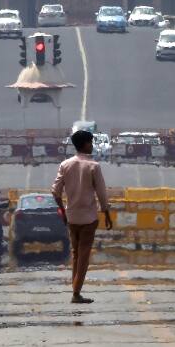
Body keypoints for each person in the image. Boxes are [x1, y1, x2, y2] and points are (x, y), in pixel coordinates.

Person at [51, 130, 112, 304]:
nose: (92, 146)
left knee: (76, 253)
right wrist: (107, 214)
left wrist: (62, 211)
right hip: (89, 218)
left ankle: (75, 289)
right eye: (91, 143)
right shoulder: (94, 166)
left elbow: (55, 192)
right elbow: (101, 194)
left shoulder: (65, 165)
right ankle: (76, 293)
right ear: (85, 144)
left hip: (71, 216)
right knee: (84, 255)